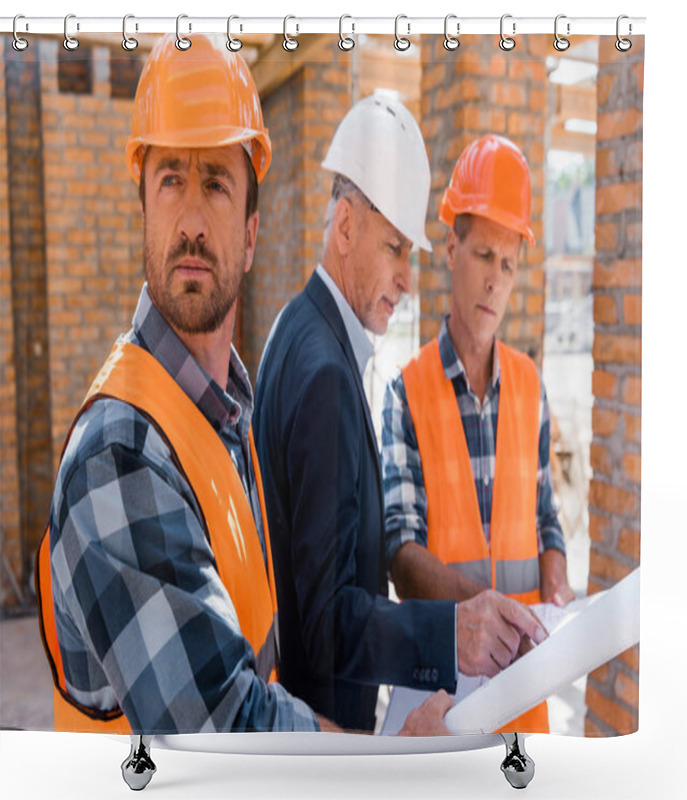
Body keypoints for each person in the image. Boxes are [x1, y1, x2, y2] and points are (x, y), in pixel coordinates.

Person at [36, 35, 447, 738]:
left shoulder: (228, 411)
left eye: (217, 184)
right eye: (171, 179)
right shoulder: (118, 451)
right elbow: (226, 725)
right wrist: (388, 765)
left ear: (252, 235)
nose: (192, 221)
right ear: (142, 206)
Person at [253, 94, 547, 734]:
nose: (406, 278)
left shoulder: (297, 332)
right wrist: (452, 632)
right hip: (323, 725)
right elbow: (329, 624)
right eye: (394, 248)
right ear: (346, 227)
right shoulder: (325, 371)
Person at [381, 134, 576, 733]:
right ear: (450, 249)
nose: (496, 280)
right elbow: (401, 554)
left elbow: (545, 515)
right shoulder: (405, 393)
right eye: (484, 255)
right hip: (442, 698)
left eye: (509, 264)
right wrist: (485, 611)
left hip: (526, 694)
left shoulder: (530, 386)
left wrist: (557, 578)